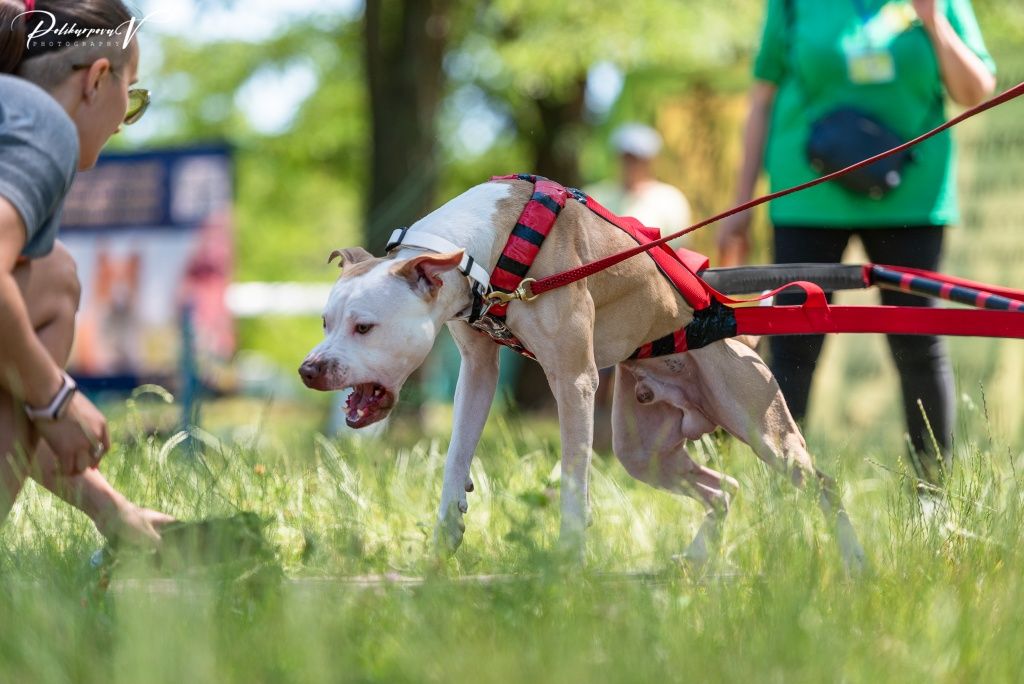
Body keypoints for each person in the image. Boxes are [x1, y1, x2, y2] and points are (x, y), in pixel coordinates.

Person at [717, 0, 996, 485]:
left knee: (918, 341)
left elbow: (975, 91)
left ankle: (933, 493)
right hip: (807, 196)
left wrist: (933, 21)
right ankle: (784, 491)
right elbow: (762, 98)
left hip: (912, 198)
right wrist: (740, 206)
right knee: (794, 343)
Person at [0, 0, 172, 544]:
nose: (126, 120)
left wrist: (112, 511)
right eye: (133, 95)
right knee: (52, 279)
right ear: (98, 79)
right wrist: (52, 394)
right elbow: (30, 388)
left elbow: (14, 374)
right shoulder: (40, 120)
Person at [586, 123, 692, 246]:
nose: (632, 164)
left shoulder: (671, 200)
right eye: (627, 157)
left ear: (651, 160)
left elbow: (679, 251)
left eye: (638, 158)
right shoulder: (595, 196)